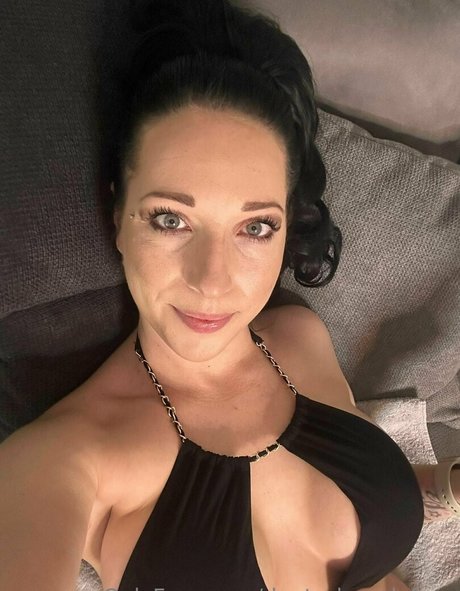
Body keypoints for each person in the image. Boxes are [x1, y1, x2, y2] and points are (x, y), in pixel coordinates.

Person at [1, 1, 459, 590]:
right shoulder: (60, 461)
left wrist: (446, 486)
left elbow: (347, 500)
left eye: (255, 227)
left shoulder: (299, 336)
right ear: (118, 215)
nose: (212, 282)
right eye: (170, 220)